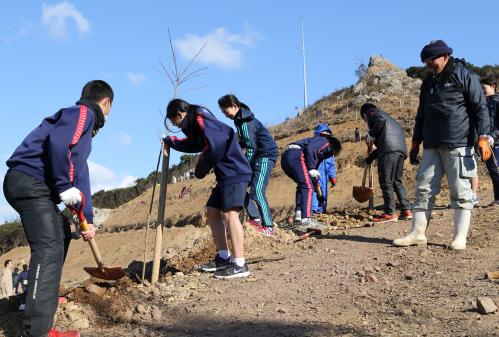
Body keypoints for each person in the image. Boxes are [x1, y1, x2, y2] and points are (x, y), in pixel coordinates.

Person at [3, 80, 114, 337]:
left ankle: (42, 304)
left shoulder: (84, 134)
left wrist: (87, 218)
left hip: (37, 187)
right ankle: (36, 331)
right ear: (106, 102)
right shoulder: (82, 114)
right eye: (109, 109)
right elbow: (57, 144)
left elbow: (81, 174)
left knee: (63, 231)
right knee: (49, 246)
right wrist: (63, 185)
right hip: (28, 181)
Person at [394, 40, 491, 250]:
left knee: (460, 190)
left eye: (431, 60)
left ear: (445, 57)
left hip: (458, 143)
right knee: (423, 188)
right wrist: (416, 142)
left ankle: (459, 238)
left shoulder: (466, 76)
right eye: (425, 61)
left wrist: (483, 136)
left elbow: (480, 109)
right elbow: (421, 114)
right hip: (431, 145)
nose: (428, 64)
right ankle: (417, 233)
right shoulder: (428, 83)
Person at [163, 98, 253, 279]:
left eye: (176, 123)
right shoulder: (196, 125)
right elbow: (195, 144)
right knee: (212, 211)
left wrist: (201, 166)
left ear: (181, 115)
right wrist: (172, 141)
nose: (178, 127)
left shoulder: (201, 118)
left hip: (234, 172)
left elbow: (216, 145)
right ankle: (223, 257)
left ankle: (239, 264)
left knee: (230, 214)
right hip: (225, 175)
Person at [218, 94, 279, 236]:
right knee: (240, 187)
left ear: (233, 106)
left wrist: (243, 166)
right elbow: (244, 142)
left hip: (265, 156)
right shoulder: (238, 120)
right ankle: (255, 218)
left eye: (225, 111)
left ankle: (269, 227)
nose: (225, 115)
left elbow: (251, 147)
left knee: (257, 191)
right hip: (257, 156)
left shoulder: (245, 121)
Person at [360, 103, 413, 223]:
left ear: (364, 114)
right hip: (400, 150)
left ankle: (390, 213)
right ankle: (406, 210)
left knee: (386, 181)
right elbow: (386, 139)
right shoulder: (390, 119)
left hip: (388, 151)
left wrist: (371, 135)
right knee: (396, 181)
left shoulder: (372, 113)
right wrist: (370, 158)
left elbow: (380, 121)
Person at [281, 130, 341, 230]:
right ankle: (306, 219)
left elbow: (312, 176)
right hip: (295, 154)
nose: (329, 155)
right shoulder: (324, 141)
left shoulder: (317, 153)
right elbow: (310, 149)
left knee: (303, 185)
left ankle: (299, 215)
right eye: (331, 153)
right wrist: (312, 168)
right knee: (307, 186)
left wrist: (319, 194)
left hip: (286, 157)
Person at [310, 124, 337, 214]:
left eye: (327, 136)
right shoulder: (313, 146)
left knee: (323, 193)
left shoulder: (329, 149)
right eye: (323, 136)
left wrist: (332, 176)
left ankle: (321, 211)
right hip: (314, 172)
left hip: (324, 175)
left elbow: (331, 164)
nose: (325, 138)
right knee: (314, 191)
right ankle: (313, 211)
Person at [481, 75, 499, 206]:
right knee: (492, 171)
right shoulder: (483, 103)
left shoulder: (497, 101)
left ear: (493, 86)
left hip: (496, 142)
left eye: (484, 87)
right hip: (486, 143)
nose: (482, 90)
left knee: (496, 169)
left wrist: (493, 136)